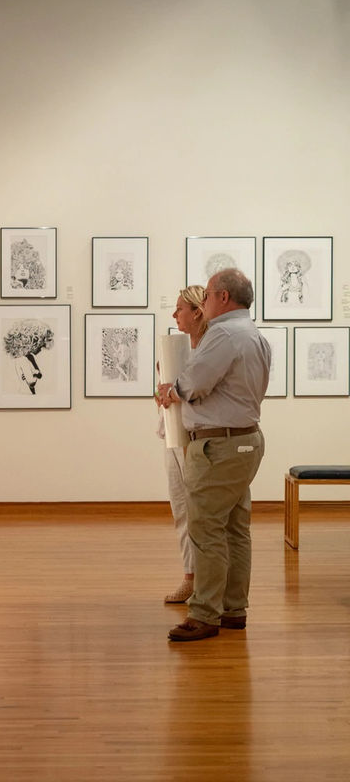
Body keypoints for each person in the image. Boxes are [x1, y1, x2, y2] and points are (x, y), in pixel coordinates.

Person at [157, 269, 270, 642]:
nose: (202, 303)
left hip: (218, 446)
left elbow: (197, 382)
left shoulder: (223, 333)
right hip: (247, 441)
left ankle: (204, 614)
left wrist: (171, 391)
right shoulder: (255, 335)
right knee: (236, 529)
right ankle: (233, 609)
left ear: (223, 297)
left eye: (206, 295)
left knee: (205, 528)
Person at [157, 285, 207, 604]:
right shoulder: (174, 347)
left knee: (200, 512)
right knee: (180, 508)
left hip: (196, 438)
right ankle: (190, 577)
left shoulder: (208, 352)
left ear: (197, 312)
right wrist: (162, 394)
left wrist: (174, 393)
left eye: (180, 309)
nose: (175, 314)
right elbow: (166, 391)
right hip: (171, 437)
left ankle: (207, 582)